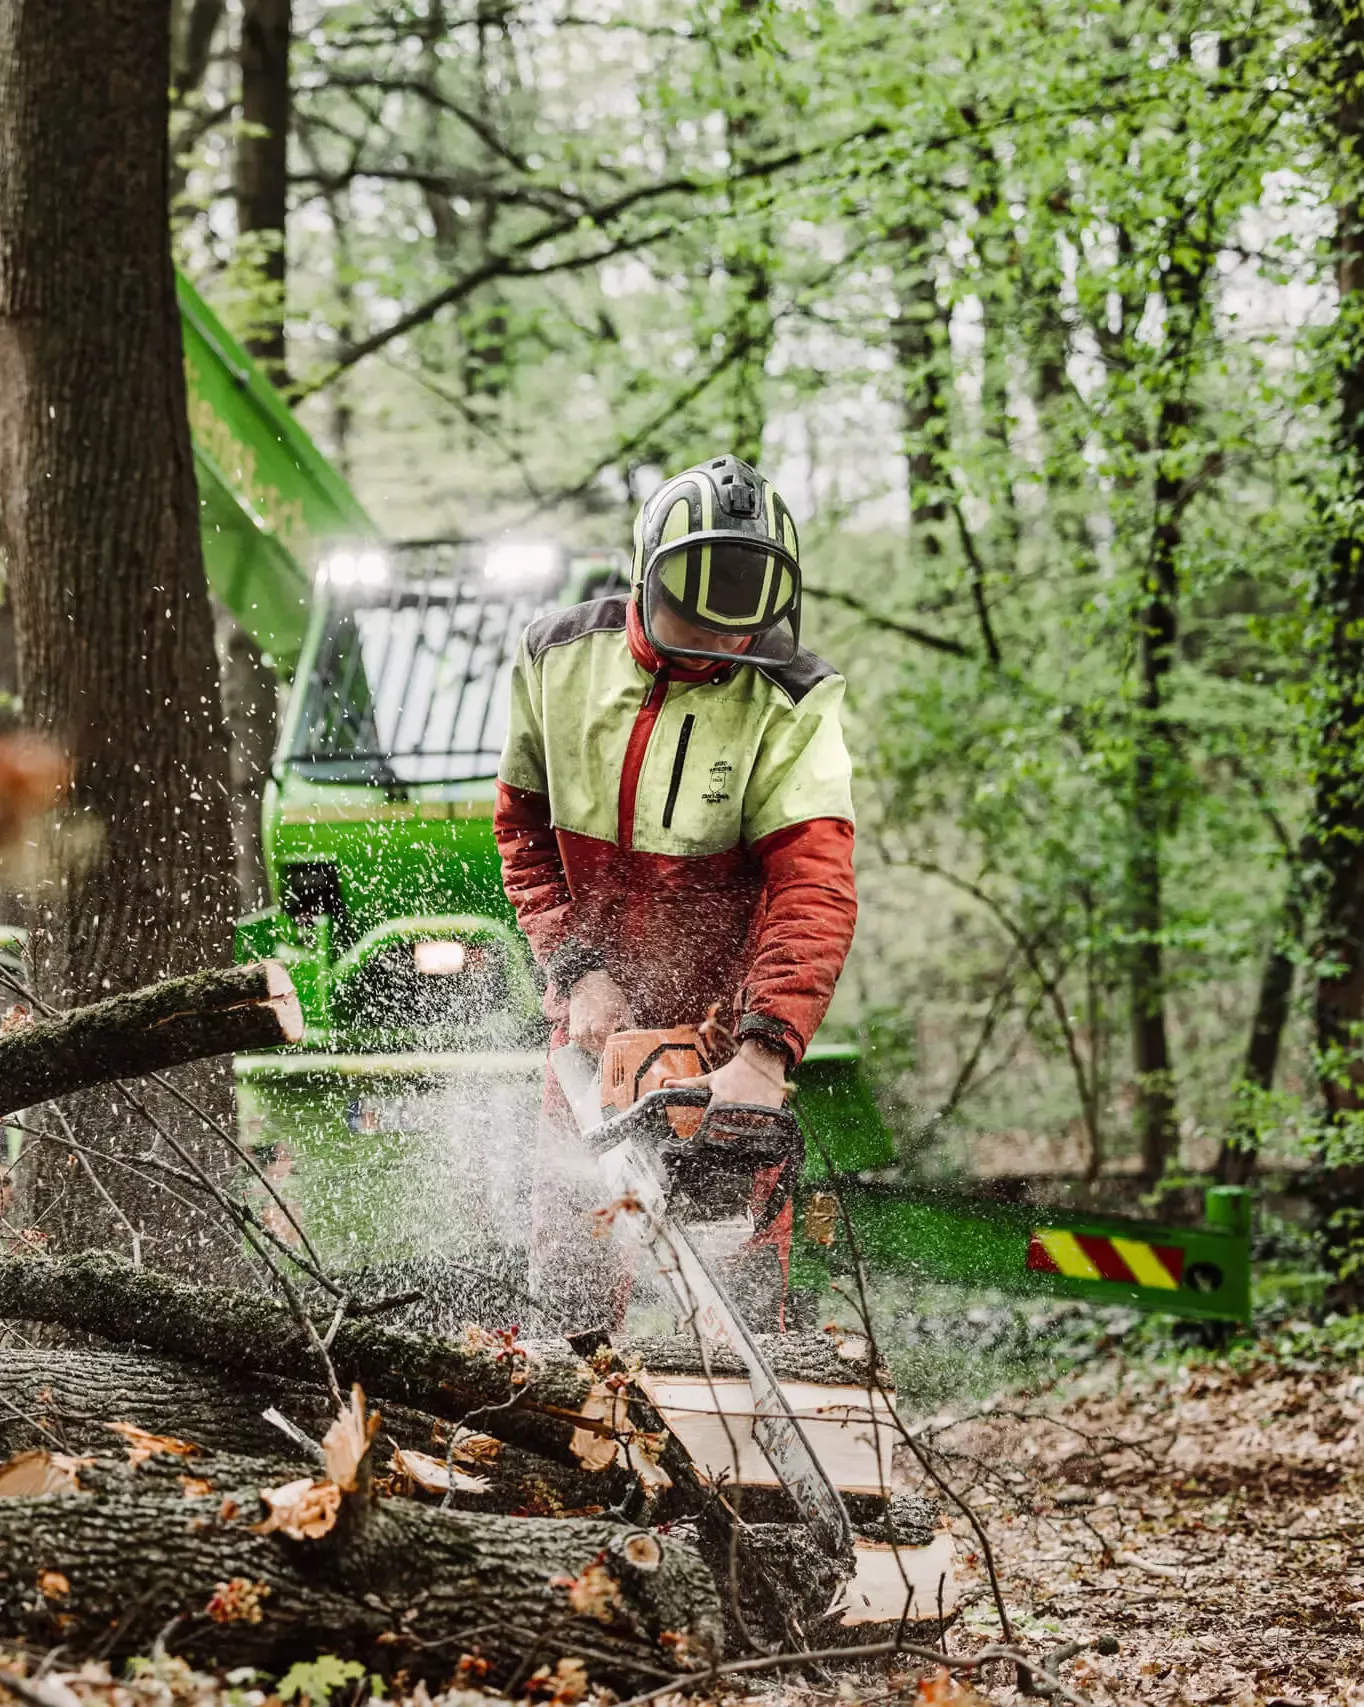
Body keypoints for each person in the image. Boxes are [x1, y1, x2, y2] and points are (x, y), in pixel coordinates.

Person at [493, 453, 857, 1328]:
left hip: (722, 1030)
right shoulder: (557, 660)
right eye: (701, 611)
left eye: (744, 620)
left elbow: (814, 884)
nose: (726, 639)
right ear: (646, 577)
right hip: (593, 1019)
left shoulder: (789, 699)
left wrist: (764, 1051)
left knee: (739, 1277)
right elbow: (523, 833)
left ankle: (743, 1443)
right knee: (572, 1260)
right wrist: (575, 969)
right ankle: (565, 1424)